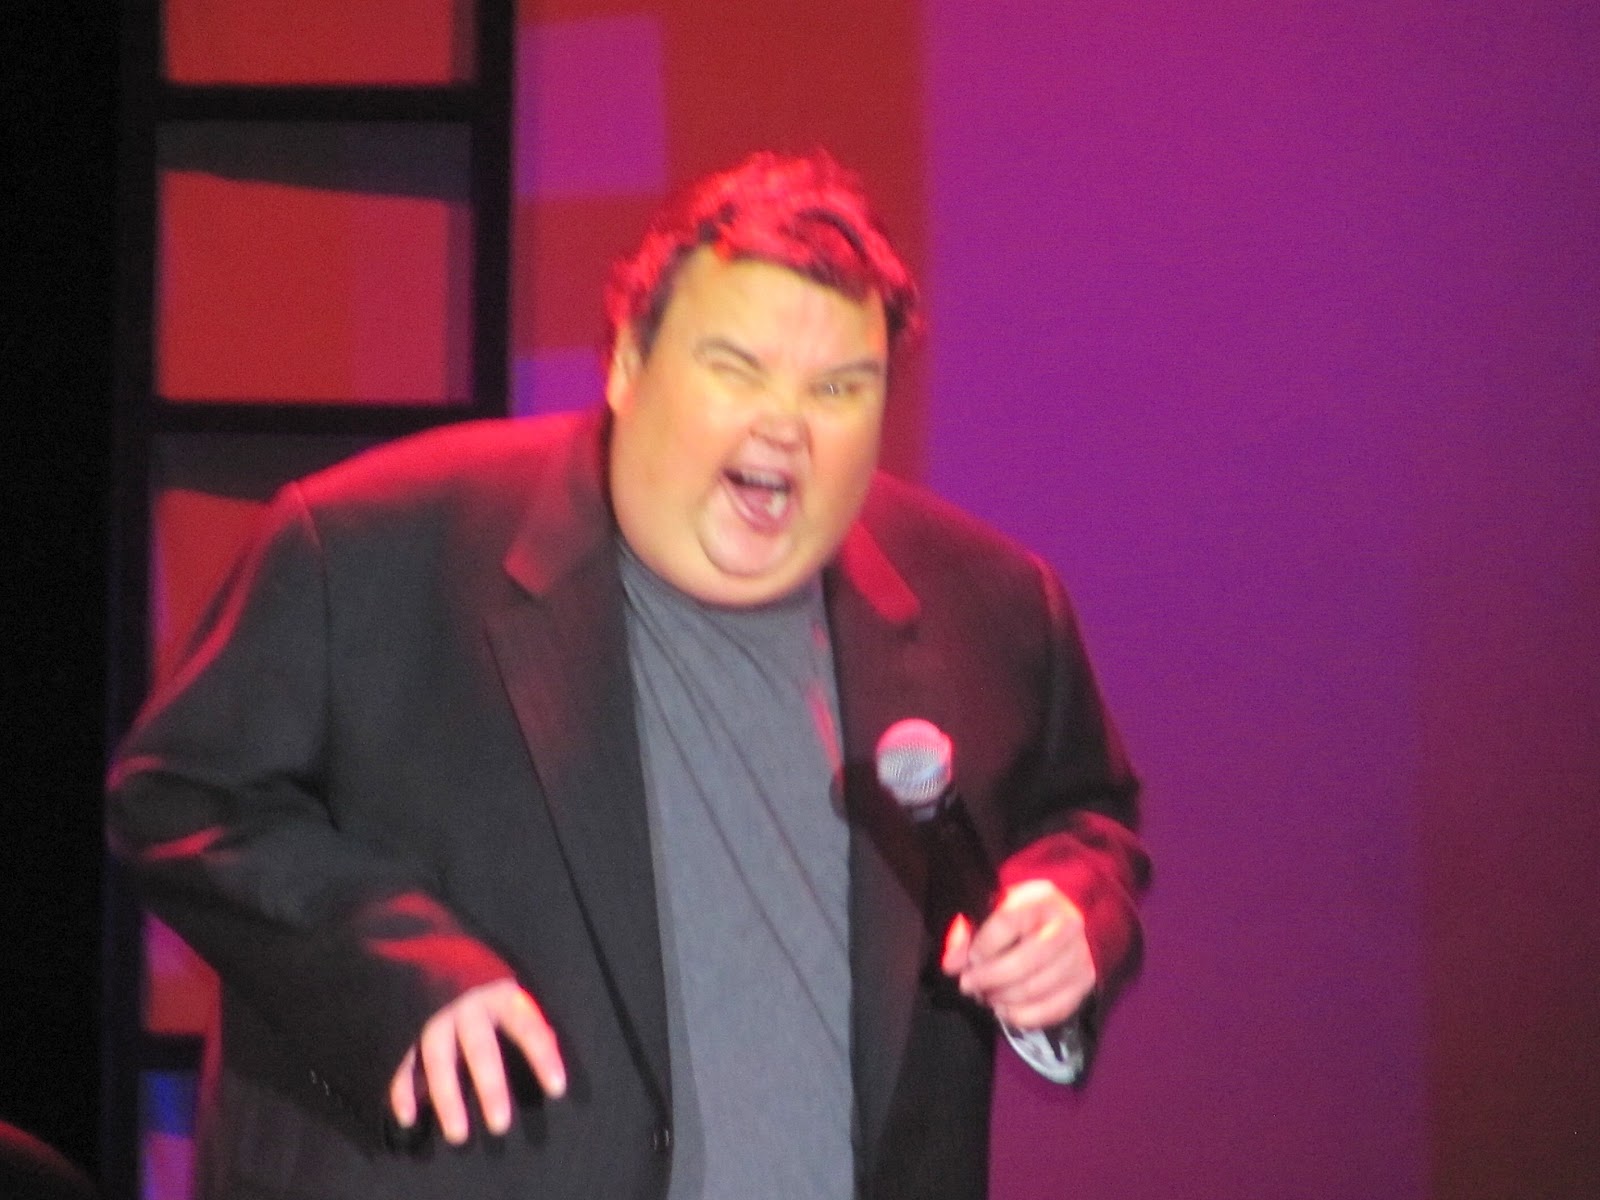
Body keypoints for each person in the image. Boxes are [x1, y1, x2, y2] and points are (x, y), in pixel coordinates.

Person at [107, 151, 1148, 1200]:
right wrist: (392, 966)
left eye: (839, 388)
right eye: (735, 368)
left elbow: (1085, 823)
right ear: (625, 365)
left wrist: (1071, 914)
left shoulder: (992, 604)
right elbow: (180, 797)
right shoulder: (370, 548)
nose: (784, 425)